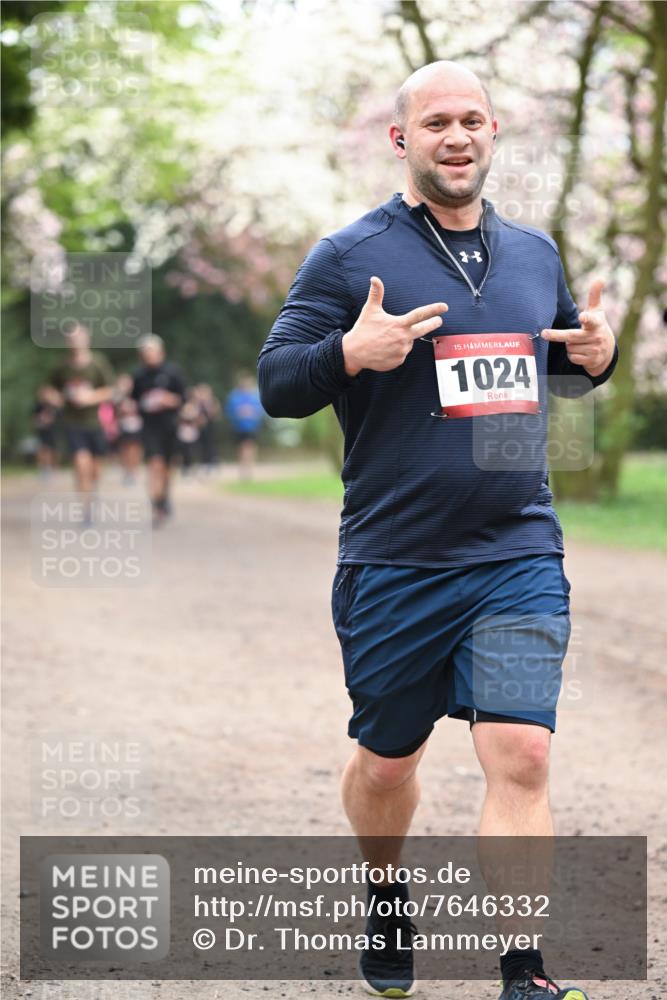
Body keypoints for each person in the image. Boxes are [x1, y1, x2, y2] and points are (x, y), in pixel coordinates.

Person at [257, 61, 618, 1000]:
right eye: (435, 123)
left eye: (472, 121)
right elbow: (277, 383)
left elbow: (559, 361)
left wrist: (599, 357)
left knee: (523, 751)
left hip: (515, 550)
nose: (455, 137)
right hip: (396, 559)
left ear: (494, 133)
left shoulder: (536, 254)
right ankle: (384, 890)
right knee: (386, 763)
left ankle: (521, 972)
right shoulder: (348, 256)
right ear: (401, 139)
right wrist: (348, 352)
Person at [44, 324, 114, 499]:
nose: (76, 342)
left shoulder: (98, 362)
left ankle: (93, 488)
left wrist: (89, 398)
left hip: (95, 422)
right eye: (72, 339)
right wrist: (54, 398)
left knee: (95, 467)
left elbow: (110, 390)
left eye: (79, 338)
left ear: (87, 339)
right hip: (73, 423)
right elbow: (47, 389)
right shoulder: (61, 366)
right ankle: (85, 505)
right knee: (81, 462)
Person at [130, 335, 186, 525]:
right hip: (149, 427)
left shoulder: (173, 372)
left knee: (168, 469)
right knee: (154, 465)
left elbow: (183, 399)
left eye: (151, 351)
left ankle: (164, 497)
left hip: (170, 426)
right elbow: (134, 401)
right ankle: (156, 506)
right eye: (144, 353)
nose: (148, 356)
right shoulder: (138, 376)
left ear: (160, 352)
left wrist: (169, 400)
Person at [225, 372, 265, 479]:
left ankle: (248, 468)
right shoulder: (235, 396)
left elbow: (261, 410)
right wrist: (239, 413)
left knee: (250, 446)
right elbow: (230, 410)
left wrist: (252, 412)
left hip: (252, 426)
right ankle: (243, 468)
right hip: (239, 427)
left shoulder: (255, 395)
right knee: (242, 448)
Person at [113, 373, 143, 486]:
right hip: (123, 425)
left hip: (137, 425)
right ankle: (127, 470)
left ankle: (134, 470)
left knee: (136, 449)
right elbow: (113, 411)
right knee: (125, 449)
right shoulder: (118, 396)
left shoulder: (138, 394)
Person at [32, 388, 60, 480]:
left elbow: (60, 417)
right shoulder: (39, 406)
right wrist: (41, 421)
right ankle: (44, 469)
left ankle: (53, 469)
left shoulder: (55, 406)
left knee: (54, 451)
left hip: (54, 431)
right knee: (44, 450)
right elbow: (34, 419)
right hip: (43, 431)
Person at [193, 383, 221, 472]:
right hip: (199, 428)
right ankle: (203, 463)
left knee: (211, 445)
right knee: (200, 446)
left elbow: (216, 414)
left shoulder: (212, 402)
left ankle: (212, 462)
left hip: (209, 428)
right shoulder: (196, 403)